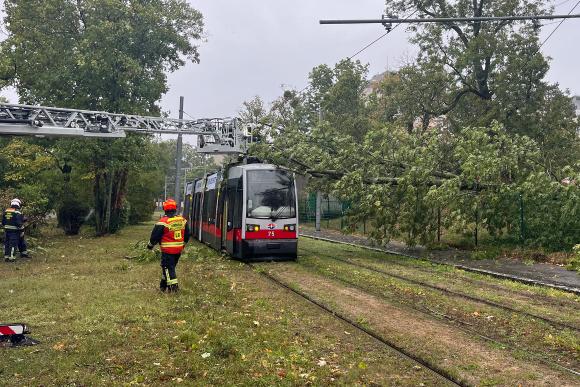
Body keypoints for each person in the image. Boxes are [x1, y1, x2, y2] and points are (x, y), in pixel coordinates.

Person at [147, 199, 190, 292]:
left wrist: (150, 246)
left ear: (164, 209)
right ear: (175, 208)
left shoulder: (163, 222)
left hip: (167, 251)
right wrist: (183, 245)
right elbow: (187, 234)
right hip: (178, 251)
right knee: (169, 268)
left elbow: (154, 237)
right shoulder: (182, 220)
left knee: (168, 268)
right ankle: (163, 286)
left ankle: (174, 288)